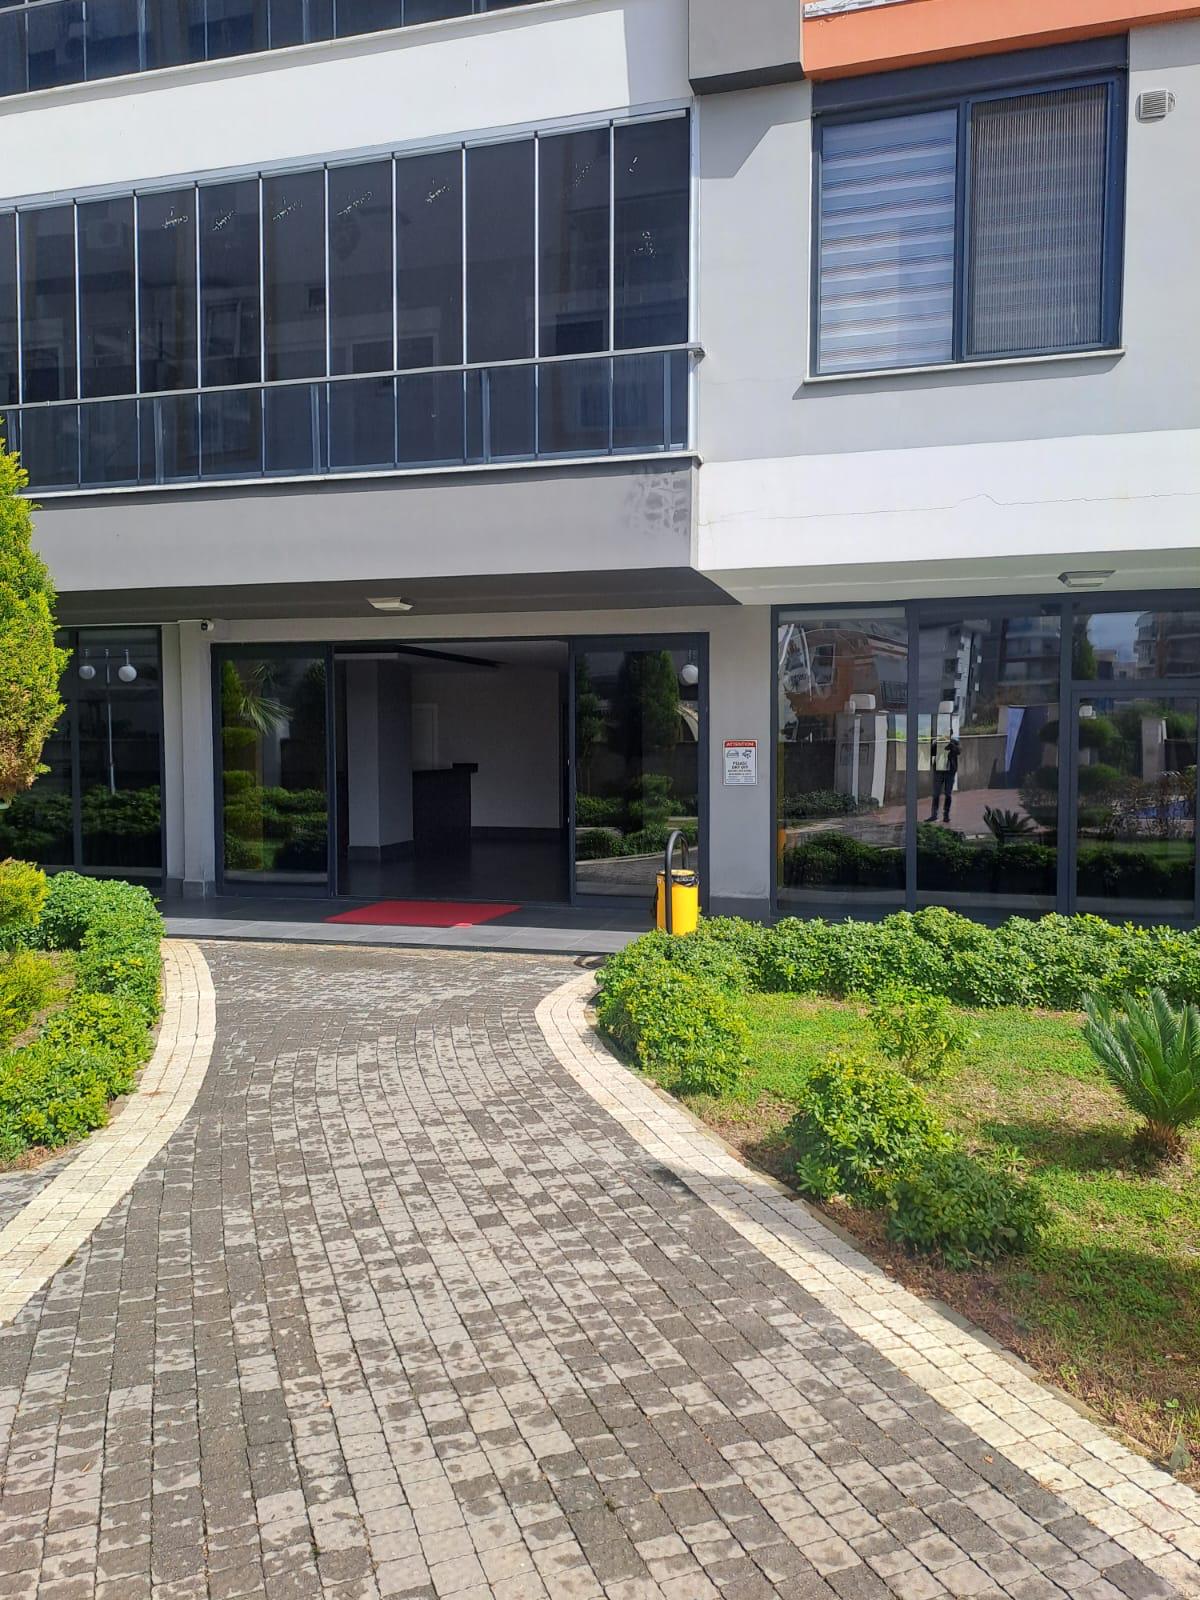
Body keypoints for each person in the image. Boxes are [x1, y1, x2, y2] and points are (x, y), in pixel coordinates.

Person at [929, 732, 961, 824]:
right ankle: (934, 815)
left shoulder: (954, 742)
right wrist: (936, 743)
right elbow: (931, 752)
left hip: (950, 772)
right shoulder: (937, 742)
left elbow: (958, 751)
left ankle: (946, 815)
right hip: (939, 771)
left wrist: (950, 744)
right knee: (936, 794)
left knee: (948, 794)